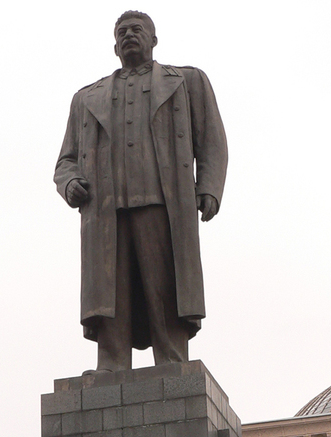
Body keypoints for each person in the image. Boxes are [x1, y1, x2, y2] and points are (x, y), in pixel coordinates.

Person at [54, 10, 227, 373]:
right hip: (105, 211)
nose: (129, 35)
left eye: (137, 29)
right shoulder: (86, 97)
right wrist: (69, 183)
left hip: (163, 203)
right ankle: (111, 363)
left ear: (154, 39)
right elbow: (66, 160)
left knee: (164, 286)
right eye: (122, 32)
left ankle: (172, 358)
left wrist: (209, 187)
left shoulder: (187, 81)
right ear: (114, 46)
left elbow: (211, 139)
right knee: (110, 292)